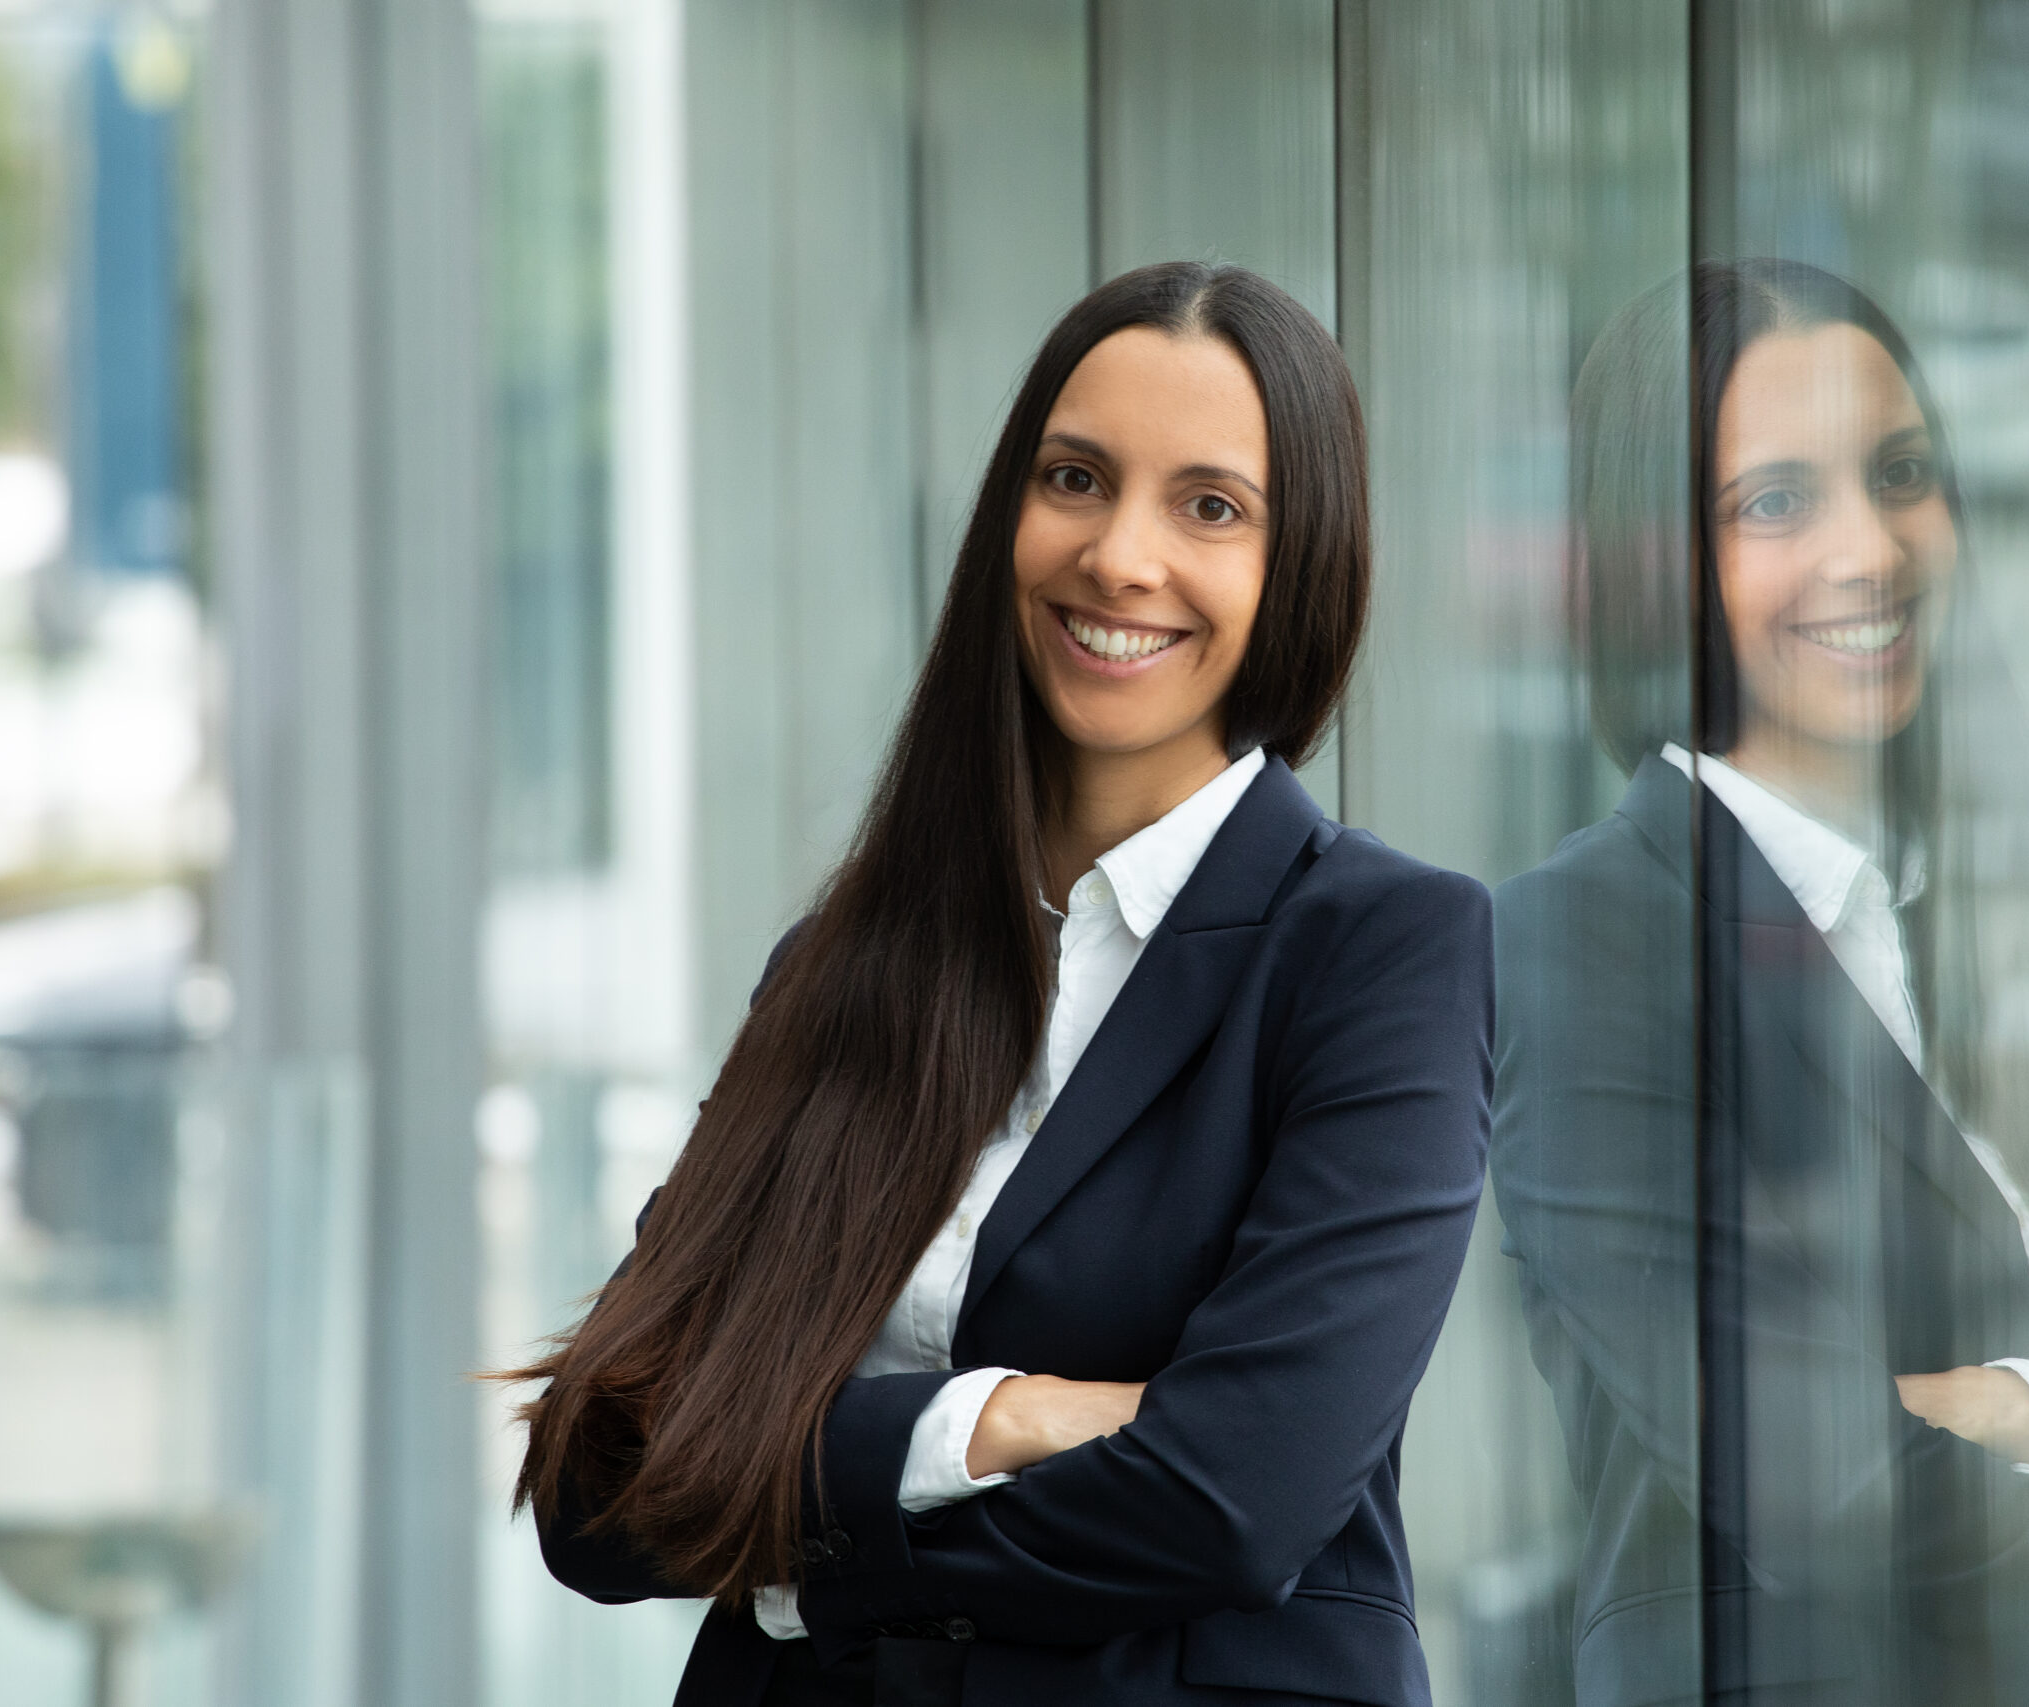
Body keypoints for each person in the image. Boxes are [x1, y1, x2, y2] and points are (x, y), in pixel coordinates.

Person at [503, 262, 1494, 1707]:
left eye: (1210, 507)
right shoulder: (846, 963)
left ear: (1302, 564)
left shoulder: (1380, 951)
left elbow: (1236, 1498)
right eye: (1076, 479)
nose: (1120, 557)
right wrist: (994, 1423)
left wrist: (801, 1556)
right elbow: (601, 1482)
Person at [1489, 260, 2029, 1705]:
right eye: (1774, 502)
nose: (1871, 548)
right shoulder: (1582, 943)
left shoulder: (2004, 908)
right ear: (1656, 555)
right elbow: (1814, 1481)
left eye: (1901, 473)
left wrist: (2014, 1410)